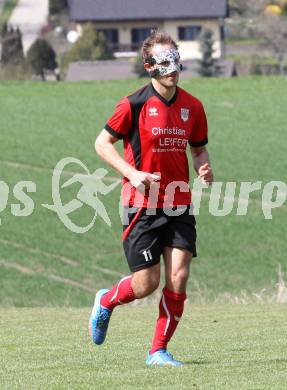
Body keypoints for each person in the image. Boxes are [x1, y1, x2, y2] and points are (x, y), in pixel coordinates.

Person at [90, 30, 214, 367]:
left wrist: (203, 168)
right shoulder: (133, 104)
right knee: (146, 283)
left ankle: (157, 350)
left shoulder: (193, 107)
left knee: (179, 276)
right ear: (149, 66)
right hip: (141, 204)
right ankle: (107, 301)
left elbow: (199, 150)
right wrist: (131, 173)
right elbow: (101, 144)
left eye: (175, 59)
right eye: (164, 61)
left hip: (179, 202)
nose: (172, 67)